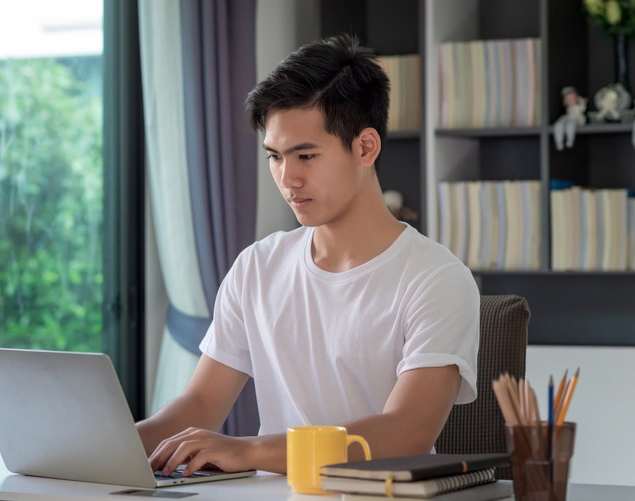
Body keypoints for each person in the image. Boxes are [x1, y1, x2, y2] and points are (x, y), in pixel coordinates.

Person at [137, 33, 480, 477]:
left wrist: (251, 452)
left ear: (365, 147)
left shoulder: (436, 278)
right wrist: (106, 446)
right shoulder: (257, 267)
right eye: (275, 157)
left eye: (305, 155)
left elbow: (405, 432)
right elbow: (200, 404)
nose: (288, 178)